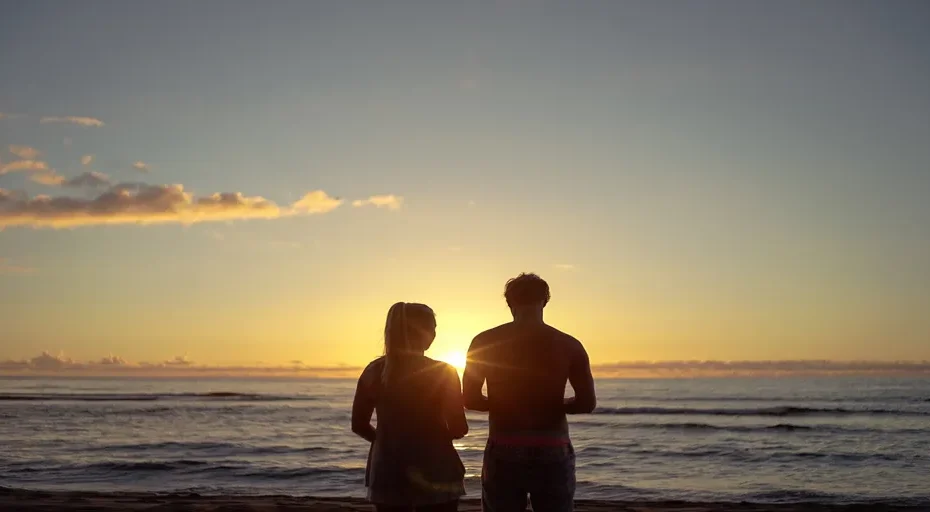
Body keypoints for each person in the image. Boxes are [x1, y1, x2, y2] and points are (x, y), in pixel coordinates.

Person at [463, 273, 596, 512]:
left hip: (504, 444)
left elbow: (470, 398)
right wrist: (554, 404)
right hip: (552, 445)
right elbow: (587, 403)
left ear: (509, 302)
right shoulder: (569, 344)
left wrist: (504, 404)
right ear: (545, 301)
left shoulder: (484, 341)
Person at [352, 302, 469, 512]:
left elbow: (359, 424)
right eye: (433, 328)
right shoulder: (443, 372)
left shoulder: (374, 371)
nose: (434, 334)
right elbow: (459, 427)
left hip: (387, 468)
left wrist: (387, 440)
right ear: (422, 332)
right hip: (436, 467)